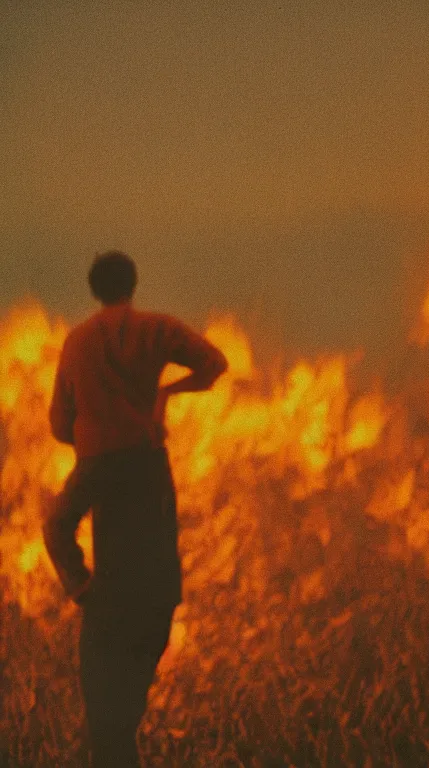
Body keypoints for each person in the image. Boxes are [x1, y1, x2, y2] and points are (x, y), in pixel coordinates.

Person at [43, 250, 228, 768]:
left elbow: (60, 427)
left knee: (106, 723)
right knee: (124, 715)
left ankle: (111, 743)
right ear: (133, 284)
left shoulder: (78, 342)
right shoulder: (157, 330)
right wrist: (166, 393)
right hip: (156, 577)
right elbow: (215, 363)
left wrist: (81, 586)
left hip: (108, 572)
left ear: (94, 289)